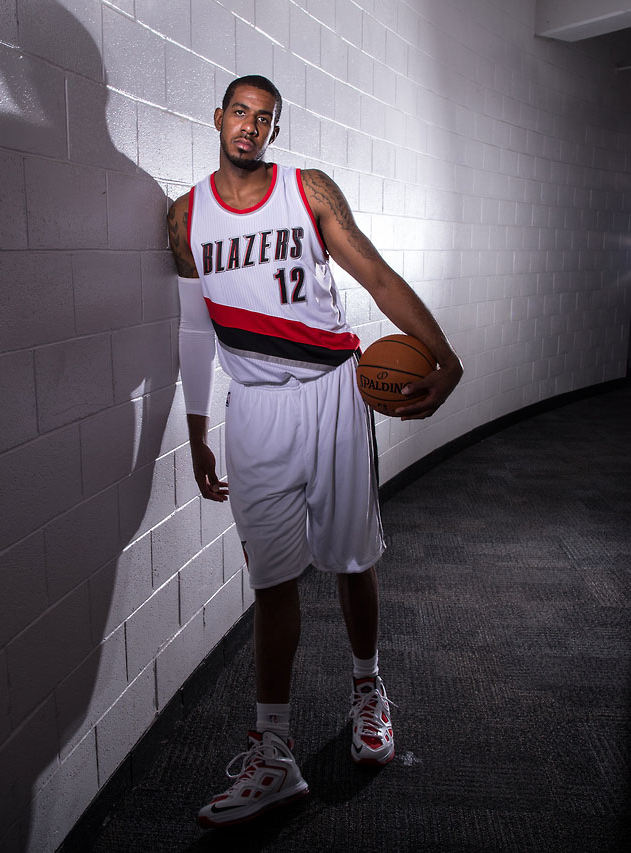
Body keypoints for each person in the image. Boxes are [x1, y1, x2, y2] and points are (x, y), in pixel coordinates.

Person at [167, 75, 462, 828]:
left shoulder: (308, 190)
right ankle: (273, 753)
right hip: (255, 408)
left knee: (352, 558)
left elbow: (375, 274)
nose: (250, 126)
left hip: (333, 392)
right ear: (218, 118)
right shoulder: (185, 217)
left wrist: (442, 355)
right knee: (272, 580)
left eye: (264, 118)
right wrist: (197, 427)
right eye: (240, 111)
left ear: (274, 130)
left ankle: (369, 691)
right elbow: (196, 323)